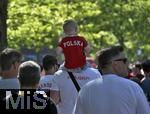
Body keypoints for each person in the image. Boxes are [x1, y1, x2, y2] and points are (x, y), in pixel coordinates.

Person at [73, 45, 150, 114]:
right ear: (115, 64)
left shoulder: (85, 90)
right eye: (124, 60)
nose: (127, 64)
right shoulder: (132, 87)